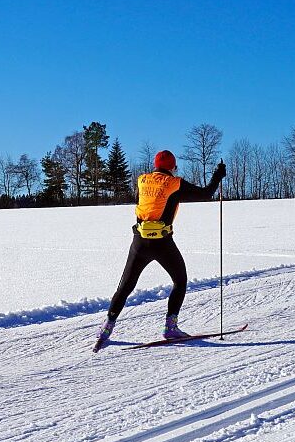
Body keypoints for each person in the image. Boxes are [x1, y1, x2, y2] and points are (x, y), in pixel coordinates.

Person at [93, 149, 226, 351]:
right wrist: (218, 175)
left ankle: (107, 327)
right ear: (173, 166)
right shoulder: (175, 183)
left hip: (139, 241)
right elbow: (206, 194)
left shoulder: (142, 180)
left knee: (125, 286)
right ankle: (170, 327)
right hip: (163, 242)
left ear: (155, 165)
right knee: (180, 281)